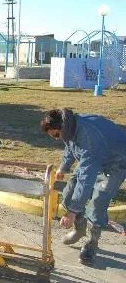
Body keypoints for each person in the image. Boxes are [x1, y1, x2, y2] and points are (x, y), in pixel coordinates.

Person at [40, 108, 126, 265]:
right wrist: (63, 167)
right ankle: (79, 229)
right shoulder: (70, 126)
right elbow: (70, 145)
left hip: (116, 163)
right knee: (68, 192)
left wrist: (72, 212)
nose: (56, 139)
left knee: (98, 201)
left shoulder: (88, 137)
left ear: (62, 128)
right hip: (96, 157)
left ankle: (91, 244)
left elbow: (86, 178)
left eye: (56, 135)